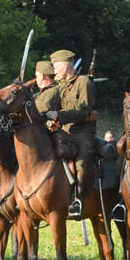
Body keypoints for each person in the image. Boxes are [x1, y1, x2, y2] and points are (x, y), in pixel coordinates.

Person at [47, 49, 96, 220]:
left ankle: (78, 199)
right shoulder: (58, 86)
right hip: (62, 131)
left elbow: (83, 110)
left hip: (81, 132)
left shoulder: (83, 82)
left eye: (56, 68)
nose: (54, 72)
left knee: (81, 162)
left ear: (65, 66)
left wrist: (58, 115)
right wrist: (50, 120)